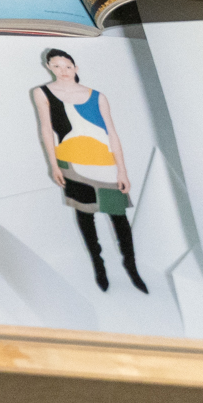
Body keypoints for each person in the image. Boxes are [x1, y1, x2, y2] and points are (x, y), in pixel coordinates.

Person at [31, 49, 145, 293]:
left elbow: (112, 133)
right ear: (49, 67)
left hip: (104, 163)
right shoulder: (42, 93)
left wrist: (122, 171)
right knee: (85, 216)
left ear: (76, 68)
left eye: (67, 66)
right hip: (72, 164)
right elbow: (46, 131)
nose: (63, 70)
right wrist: (53, 165)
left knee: (119, 218)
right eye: (57, 66)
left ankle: (132, 267)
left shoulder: (98, 96)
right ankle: (99, 268)